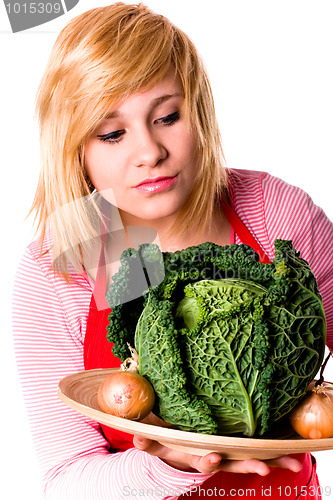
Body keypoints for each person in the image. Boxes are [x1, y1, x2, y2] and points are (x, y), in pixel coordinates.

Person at [12, 3, 333, 499]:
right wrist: (172, 466)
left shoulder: (270, 211)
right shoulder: (59, 270)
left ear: (198, 110)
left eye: (166, 116)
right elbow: (66, 480)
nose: (150, 152)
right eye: (113, 133)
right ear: (75, 148)